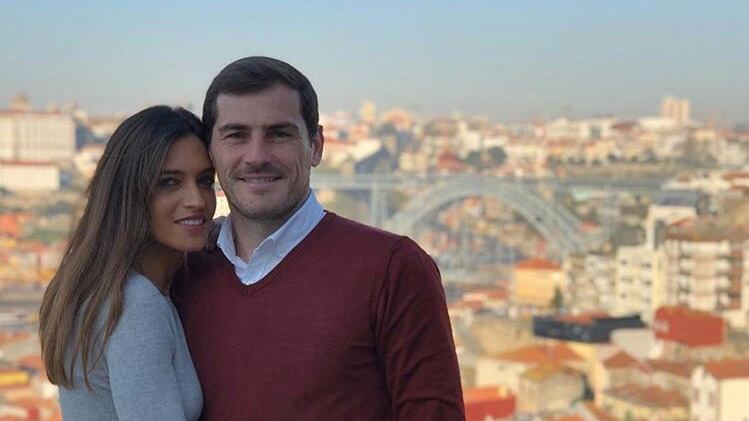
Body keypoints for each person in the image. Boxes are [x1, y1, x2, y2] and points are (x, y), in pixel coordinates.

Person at [173, 56, 465, 420]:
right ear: (210, 151)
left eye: (279, 134)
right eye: (236, 136)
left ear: (316, 145)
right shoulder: (180, 272)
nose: (256, 156)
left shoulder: (393, 269)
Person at [39, 106, 216, 420]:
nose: (197, 200)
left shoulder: (100, 290)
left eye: (205, 181)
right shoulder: (138, 305)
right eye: (169, 182)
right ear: (129, 193)